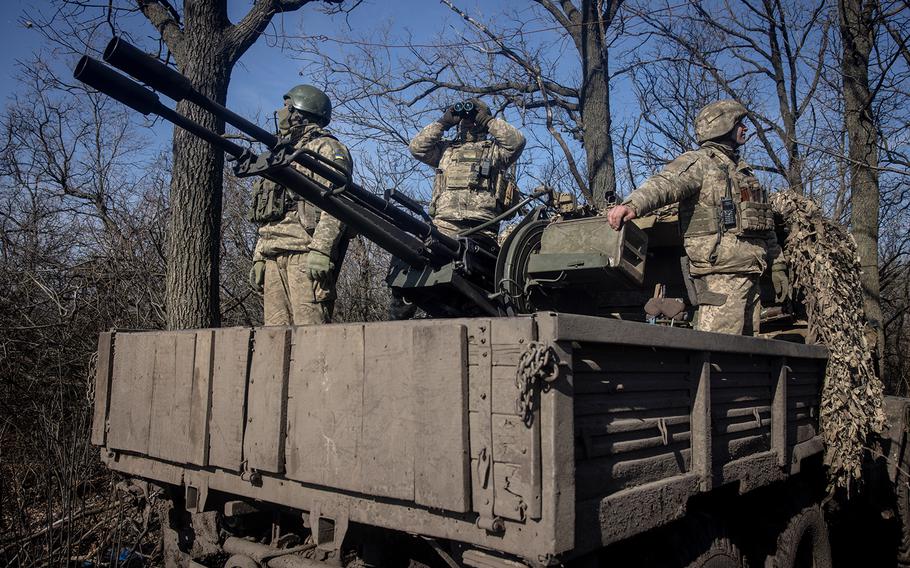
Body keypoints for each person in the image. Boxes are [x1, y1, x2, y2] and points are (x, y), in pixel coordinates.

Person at [607, 99, 787, 335]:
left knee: (745, 359)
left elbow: (763, 224)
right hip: (720, 274)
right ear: (723, 126)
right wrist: (633, 205)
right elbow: (666, 183)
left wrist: (777, 265)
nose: (745, 128)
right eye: (739, 123)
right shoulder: (701, 163)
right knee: (719, 353)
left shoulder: (744, 173)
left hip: (750, 272)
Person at [248, 85, 352, 325]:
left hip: (305, 254)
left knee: (311, 334)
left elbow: (337, 201)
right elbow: (270, 211)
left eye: (287, 106)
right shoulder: (282, 153)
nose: (281, 112)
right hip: (274, 253)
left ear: (300, 111)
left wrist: (322, 249)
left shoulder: (325, 147)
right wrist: (259, 255)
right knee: (275, 335)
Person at [408, 98, 526, 246]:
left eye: (473, 117)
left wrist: (487, 120)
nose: (468, 121)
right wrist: (443, 123)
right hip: (445, 224)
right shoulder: (445, 150)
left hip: (483, 227)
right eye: (465, 119)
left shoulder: (497, 151)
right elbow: (417, 148)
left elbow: (517, 142)